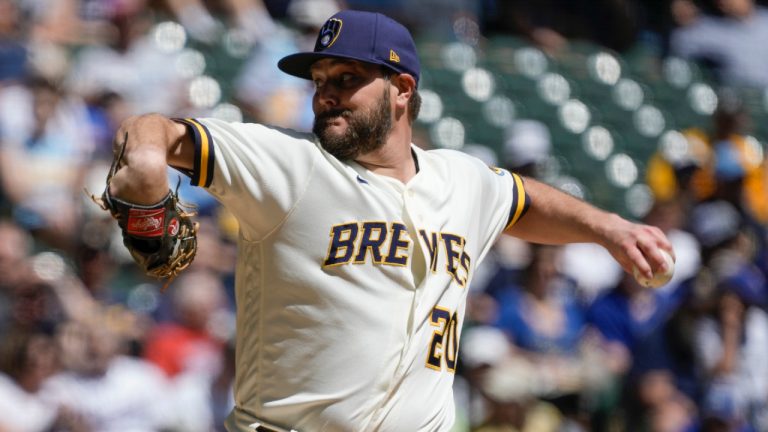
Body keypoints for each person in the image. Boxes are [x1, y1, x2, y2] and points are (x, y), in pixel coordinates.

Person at [103, 10, 674, 432]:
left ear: (402, 90)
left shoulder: (461, 179)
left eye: (346, 79)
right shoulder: (291, 164)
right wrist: (149, 163)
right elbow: (153, 131)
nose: (325, 95)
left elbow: (522, 201)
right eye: (320, 81)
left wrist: (609, 228)